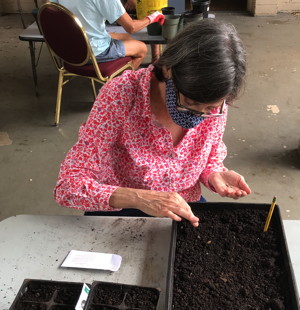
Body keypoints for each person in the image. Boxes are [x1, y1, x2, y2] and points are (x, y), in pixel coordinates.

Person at [54, 19, 252, 227]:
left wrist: (213, 173)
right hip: (124, 206)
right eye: (190, 102)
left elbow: (209, 154)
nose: (199, 116)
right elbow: (68, 185)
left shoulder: (215, 101)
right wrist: (141, 198)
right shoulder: (121, 95)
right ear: (168, 70)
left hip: (183, 205)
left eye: (210, 109)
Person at [48, 0, 165, 69]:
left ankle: (119, 67)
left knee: (126, 38)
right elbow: (131, 27)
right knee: (142, 49)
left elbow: (49, 8)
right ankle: (117, 86)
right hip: (93, 51)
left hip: (67, 51)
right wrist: (152, 18)